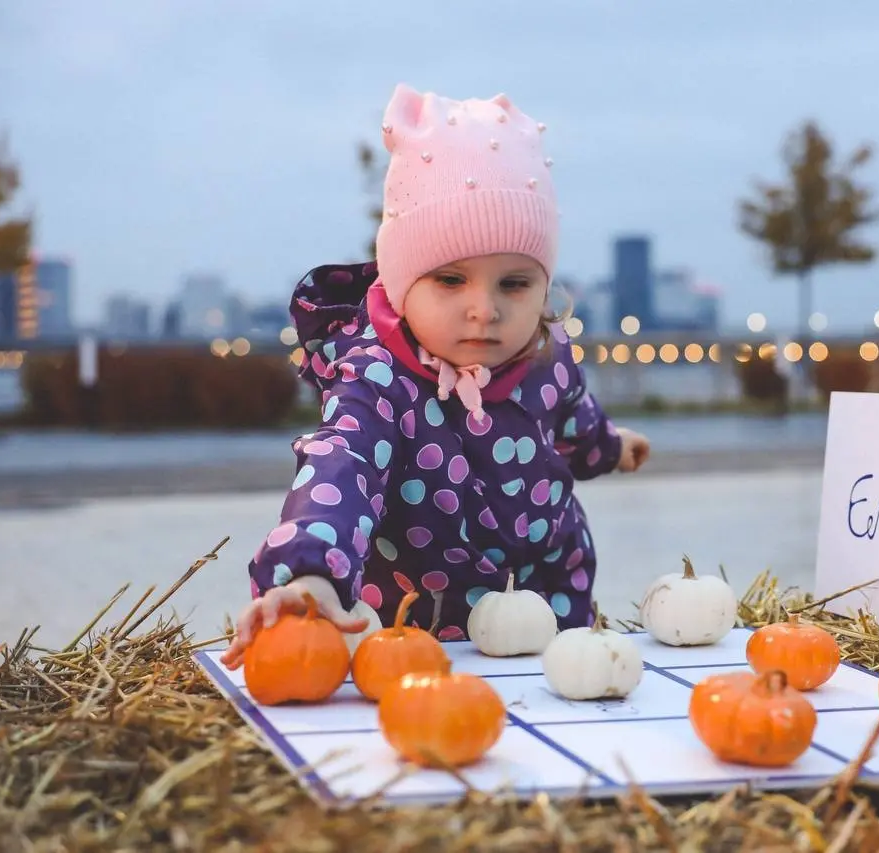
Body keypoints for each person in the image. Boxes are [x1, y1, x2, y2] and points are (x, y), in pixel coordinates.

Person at [222, 85, 651, 669]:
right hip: (417, 636)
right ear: (402, 284)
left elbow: (575, 424)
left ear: (544, 287)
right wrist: (309, 575)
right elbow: (341, 468)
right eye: (450, 280)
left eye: (514, 283)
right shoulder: (379, 382)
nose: (485, 309)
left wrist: (610, 448)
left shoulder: (549, 358)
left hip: (548, 611)